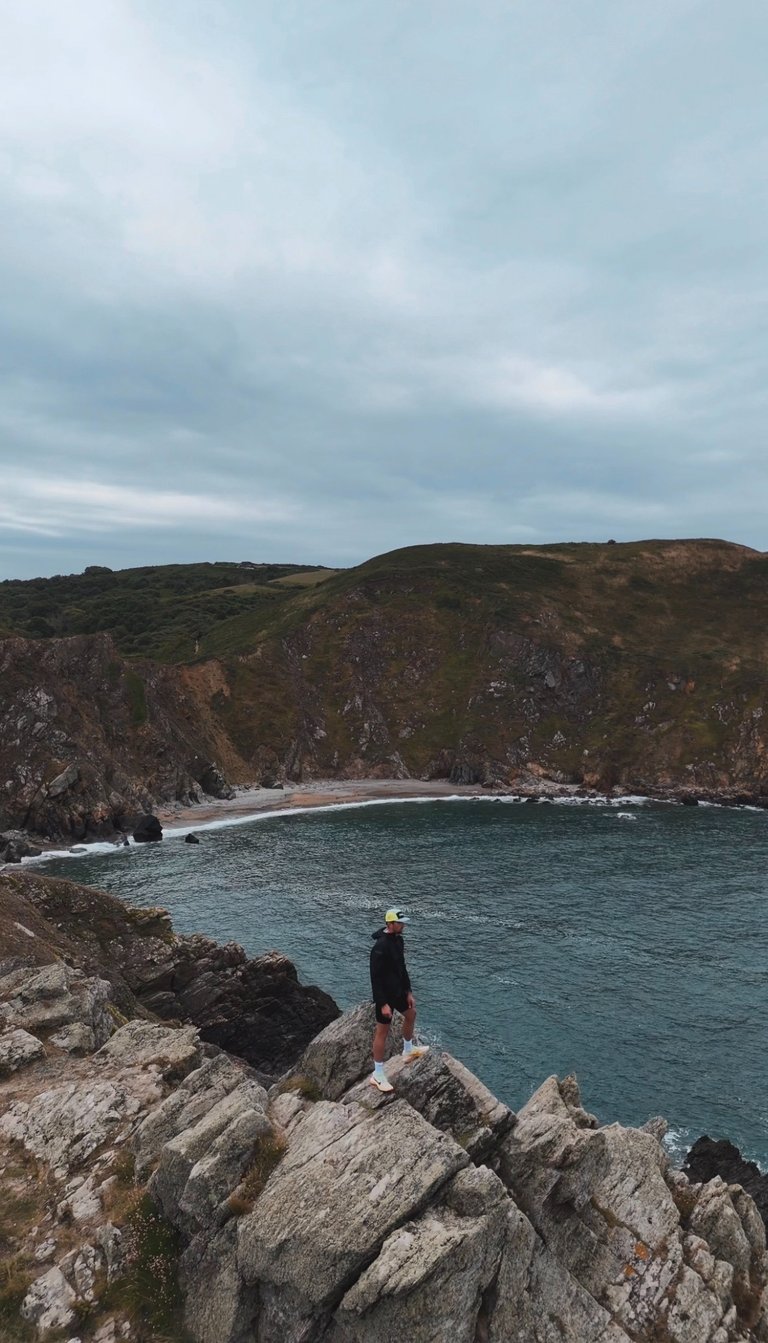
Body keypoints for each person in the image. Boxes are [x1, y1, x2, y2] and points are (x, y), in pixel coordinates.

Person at [369, 907, 429, 1092]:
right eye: (400, 923)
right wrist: (382, 1003)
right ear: (390, 923)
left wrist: (408, 991)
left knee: (411, 1014)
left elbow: (402, 968)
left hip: (399, 992)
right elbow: (375, 977)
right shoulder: (380, 947)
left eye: (403, 923)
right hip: (386, 996)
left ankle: (408, 1049)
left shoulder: (398, 940)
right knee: (382, 1033)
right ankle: (377, 1074)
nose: (403, 926)